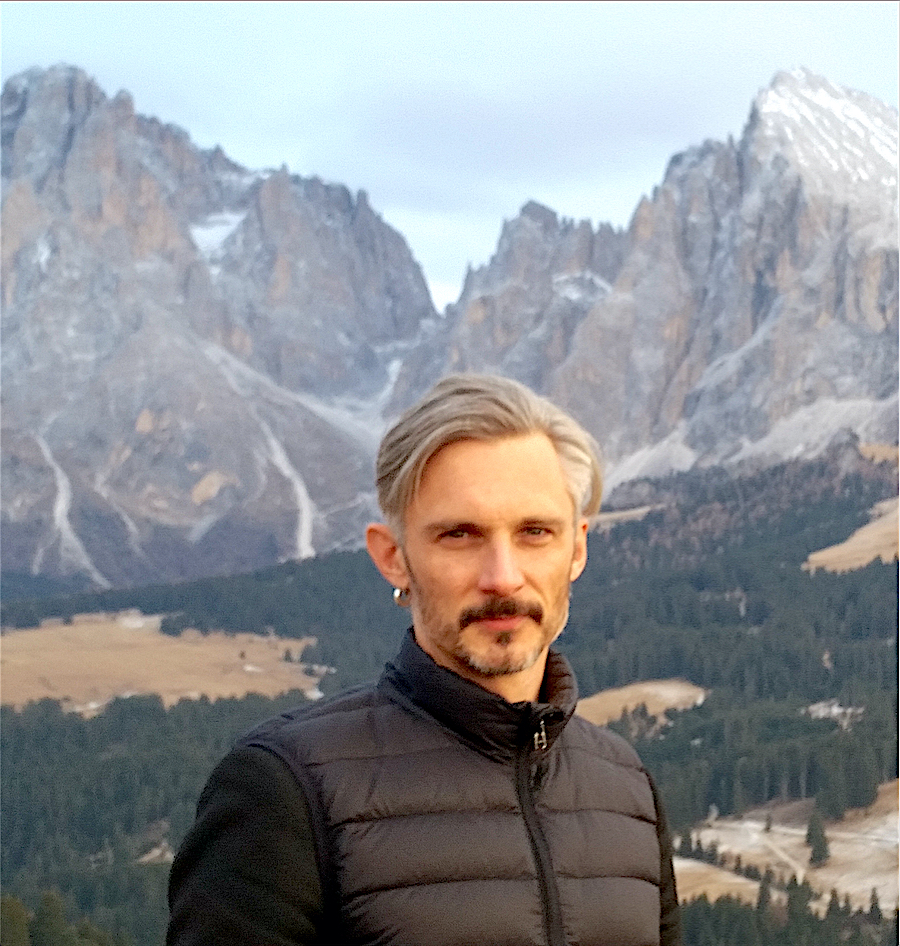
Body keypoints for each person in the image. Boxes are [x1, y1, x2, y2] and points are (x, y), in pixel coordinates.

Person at [167, 373, 682, 946]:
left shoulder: (627, 790)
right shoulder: (286, 790)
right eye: (460, 535)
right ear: (393, 557)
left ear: (578, 548)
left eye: (535, 532)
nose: (503, 577)